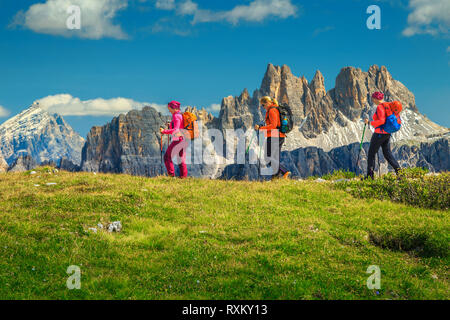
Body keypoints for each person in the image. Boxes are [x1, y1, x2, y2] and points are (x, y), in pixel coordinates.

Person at [364, 92, 401, 179]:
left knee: (371, 154)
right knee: (387, 154)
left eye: (373, 98)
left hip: (379, 133)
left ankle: (370, 177)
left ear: (376, 99)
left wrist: (369, 122)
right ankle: (400, 173)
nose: (372, 100)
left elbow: (381, 121)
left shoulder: (380, 107)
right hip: (387, 134)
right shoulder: (388, 105)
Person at [255, 96, 291, 180]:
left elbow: (273, 125)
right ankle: (275, 179)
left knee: (268, 157)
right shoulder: (275, 109)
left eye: (263, 105)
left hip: (274, 135)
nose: (263, 108)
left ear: (267, 103)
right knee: (274, 158)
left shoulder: (272, 110)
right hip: (279, 135)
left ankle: (284, 171)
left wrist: (260, 128)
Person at [160, 101, 188, 178]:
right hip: (184, 140)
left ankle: (171, 176)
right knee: (180, 159)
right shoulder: (180, 115)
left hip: (178, 140)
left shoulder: (176, 116)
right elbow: (179, 127)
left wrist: (164, 131)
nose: (169, 111)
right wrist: (171, 125)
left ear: (174, 108)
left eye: (169, 109)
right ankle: (183, 177)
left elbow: (176, 130)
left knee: (167, 157)